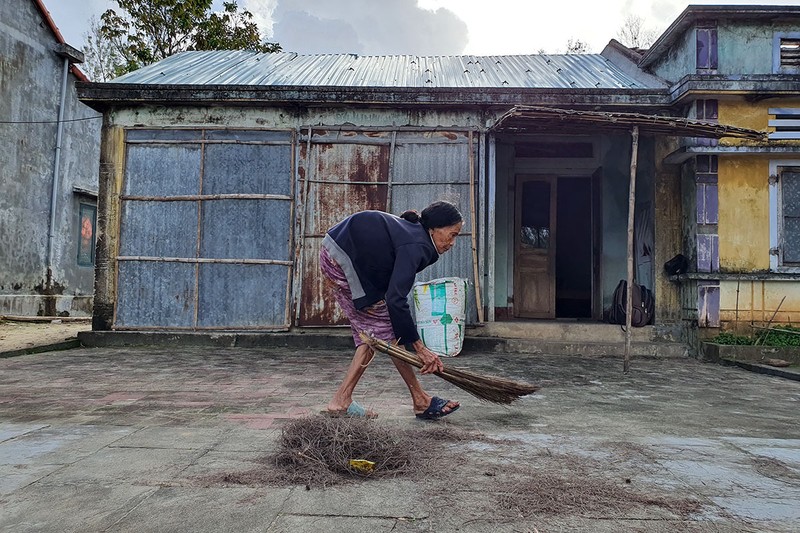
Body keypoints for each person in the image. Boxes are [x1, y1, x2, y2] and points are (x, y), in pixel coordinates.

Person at [320, 200, 464, 420]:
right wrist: (420, 348)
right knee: (379, 330)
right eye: (452, 234)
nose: (453, 243)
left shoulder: (417, 236)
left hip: (338, 252)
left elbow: (393, 295)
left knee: (377, 332)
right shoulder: (417, 245)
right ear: (434, 229)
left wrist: (414, 343)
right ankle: (416, 400)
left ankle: (415, 399)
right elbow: (396, 300)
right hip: (341, 257)